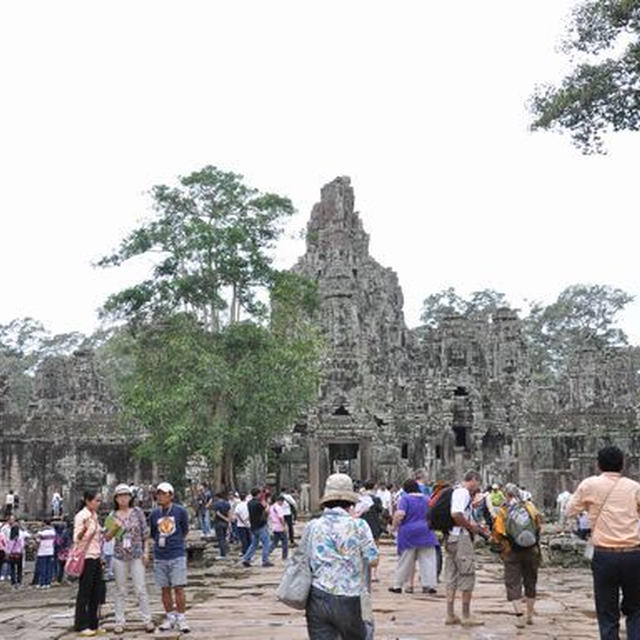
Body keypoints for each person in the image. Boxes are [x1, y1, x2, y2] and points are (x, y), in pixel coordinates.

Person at [567, 445, 640, 640]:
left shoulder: (589, 485)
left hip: (604, 555)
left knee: (607, 612)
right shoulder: (634, 487)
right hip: (633, 554)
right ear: (622, 465)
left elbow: (570, 510)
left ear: (598, 465)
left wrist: (590, 510)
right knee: (636, 609)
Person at [304, 473, 379, 640]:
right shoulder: (359, 525)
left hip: (317, 596)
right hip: (349, 597)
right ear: (350, 501)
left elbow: (304, 559)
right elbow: (373, 560)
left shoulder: (312, 526)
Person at [491, 482, 542, 628]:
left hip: (511, 551)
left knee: (513, 583)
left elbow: (498, 534)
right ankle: (530, 615)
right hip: (531, 550)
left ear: (506, 495)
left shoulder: (503, 511)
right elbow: (539, 526)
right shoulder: (529, 507)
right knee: (530, 581)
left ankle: (520, 616)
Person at [106, 483, 154, 635]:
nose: (123, 498)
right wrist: (114, 529)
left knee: (140, 588)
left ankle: (147, 619)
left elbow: (145, 534)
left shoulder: (137, 512)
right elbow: (106, 537)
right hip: (120, 555)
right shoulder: (112, 516)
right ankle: (119, 621)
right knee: (120, 589)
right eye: (120, 496)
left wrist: (146, 552)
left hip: (137, 554)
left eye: (126, 495)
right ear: (116, 498)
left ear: (130, 497)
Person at [445, 470, 487, 627]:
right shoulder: (462, 492)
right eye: (478, 483)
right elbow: (456, 514)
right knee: (467, 574)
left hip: (452, 537)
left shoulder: (456, 491)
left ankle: (450, 614)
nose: (477, 487)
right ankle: (465, 615)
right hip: (461, 538)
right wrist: (471, 528)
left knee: (451, 575)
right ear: (473, 480)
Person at [150, 481, 190, 633]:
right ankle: (170, 616)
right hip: (161, 554)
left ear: (171, 496)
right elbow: (154, 532)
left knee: (178, 587)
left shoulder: (180, 511)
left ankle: (181, 617)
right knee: (164, 588)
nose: (160, 497)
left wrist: (176, 541)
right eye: (158, 494)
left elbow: (184, 529)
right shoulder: (154, 513)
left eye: (163, 494)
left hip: (176, 553)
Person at [388, 478, 438, 594]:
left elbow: (400, 514)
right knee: (428, 560)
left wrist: (394, 526)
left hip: (408, 532)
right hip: (426, 531)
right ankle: (429, 585)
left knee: (405, 560)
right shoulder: (427, 499)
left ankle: (398, 585)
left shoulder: (405, 499)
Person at [73, 489, 105, 636]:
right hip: (86, 557)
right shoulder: (82, 516)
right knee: (85, 591)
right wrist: (84, 531)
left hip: (96, 555)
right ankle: (81, 624)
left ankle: (94, 623)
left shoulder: (95, 516)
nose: (98, 503)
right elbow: (77, 539)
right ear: (88, 501)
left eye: (99, 500)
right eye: (96, 500)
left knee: (96, 591)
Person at [241, 487, 273, 568]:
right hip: (261, 526)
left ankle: (246, 558)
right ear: (258, 494)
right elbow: (266, 511)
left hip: (253, 526)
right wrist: (268, 505)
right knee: (266, 543)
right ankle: (265, 560)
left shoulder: (249, 503)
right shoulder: (258, 504)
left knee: (254, 544)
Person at [35, 519, 56, 589]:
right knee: (49, 568)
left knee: (42, 568)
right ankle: (48, 583)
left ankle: (42, 583)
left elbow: (37, 541)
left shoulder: (41, 532)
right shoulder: (53, 532)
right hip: (50, 551)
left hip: (42, 551)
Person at [268, 495, 289, 560]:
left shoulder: (271, 507)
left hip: (274, 526)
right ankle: (284, 556)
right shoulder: (278, 507)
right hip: (280, 527)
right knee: (285, 542)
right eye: (282, 502)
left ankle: (267, 552)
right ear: (280, 501)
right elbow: (281, 518)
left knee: (274, 542)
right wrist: (284, 526)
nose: (282, 504)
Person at [212, 491, 231, 558]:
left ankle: (223, 554)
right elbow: (229, 512)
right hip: (225, 523)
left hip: (218, 522)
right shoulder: (227, 503)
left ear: (217, 497)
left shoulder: (215, 504)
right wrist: (228, 520)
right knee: (224, 537)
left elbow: (215, 514)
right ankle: (225, 551)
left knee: (220, 538)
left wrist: (213, 520)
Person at [6, 523, 25, 589]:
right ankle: (19, 581)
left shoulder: (10, 539)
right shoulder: (20, 538)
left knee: (12, 568)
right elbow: (22, 546)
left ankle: (13, 582)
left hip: (12, 555)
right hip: (19, 554)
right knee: (19, 569)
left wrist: (8, 554)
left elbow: (9, 548)